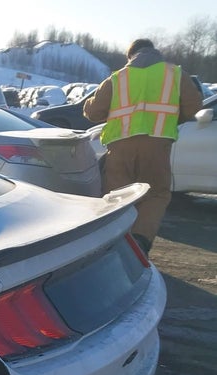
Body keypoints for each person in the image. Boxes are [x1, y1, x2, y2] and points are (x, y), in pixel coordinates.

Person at [84, 38, 203, 254]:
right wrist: (174, 119)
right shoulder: (175, 74)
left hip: (120, 147)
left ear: (131, 56)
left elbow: (93, 113)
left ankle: (111, 245)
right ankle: (140, 239)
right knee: (156, 194)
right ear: (155, 52)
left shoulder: (118, 77)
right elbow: (194, 106)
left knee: (116, 195)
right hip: (157, 147)